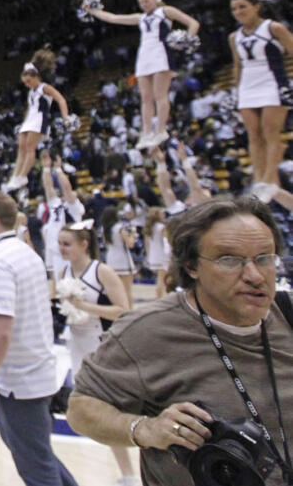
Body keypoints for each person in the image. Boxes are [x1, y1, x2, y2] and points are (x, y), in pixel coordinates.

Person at [67, 196, 293, 486]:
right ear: (191, 266)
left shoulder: (287, 315)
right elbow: (81, 408)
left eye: (264, 258)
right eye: (229, 260)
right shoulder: (145, 332)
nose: (254, 275)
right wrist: (143, 428)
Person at [0, 188, 79, 486]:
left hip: (21, 381)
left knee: (37, 469)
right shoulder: (25, 253)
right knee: (38, 454)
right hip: (38, 371)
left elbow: (0, 330)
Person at [54, 220, 136, 486]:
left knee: (115, 409)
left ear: (84, 244)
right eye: (59, 243)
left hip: (104, 346)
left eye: (67, 244)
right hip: (77, 345)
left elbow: (123, 309)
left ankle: (134, 474)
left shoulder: (102, 271)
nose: (61, 248)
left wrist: (84, 307)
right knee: (97, 411)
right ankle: (128, 474)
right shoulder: (64, 271)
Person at [81, 0, 200, 149]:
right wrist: (92, 10)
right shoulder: (141, 17)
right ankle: (146, 133)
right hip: (144, 55)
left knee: (160, 95)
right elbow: (113, 18)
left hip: (161, 53)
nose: (144, 4)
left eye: (147, 0)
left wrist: (186, 40)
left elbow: (193, 23)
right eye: (141, 2)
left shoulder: (165, 11)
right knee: (145, 98)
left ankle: (160, 130)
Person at [228, 0, 293, 206]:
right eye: (235, 9)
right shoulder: (233, 37)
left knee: (270, 132)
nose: (238, 12)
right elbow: (237, 65)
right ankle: (259, 181)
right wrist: (236, 91)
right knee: (253, 135)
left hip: (273, 82)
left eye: (243, 7)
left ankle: (268, 180)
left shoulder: (274, 28)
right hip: (248, 86)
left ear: (257, 7)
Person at [4, 50, 74, 194]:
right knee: (21, 148)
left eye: (29, 81)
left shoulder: (45, 88)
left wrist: (65, 117)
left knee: (30, 148)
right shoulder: (31, 92)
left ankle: (23, 176)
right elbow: (30, 109)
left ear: (36, 77)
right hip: (30, 120)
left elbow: (61, 99)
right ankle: (16, 176)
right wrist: (24, 123)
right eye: (25, 83)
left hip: (40, 119)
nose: (27, 85)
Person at [39, 152, 83, 280]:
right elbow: (48, 187)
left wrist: (58, 169)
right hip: (54, 248)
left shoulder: (75, 207)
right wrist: (46, 168)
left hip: (67, 250)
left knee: (67, 285)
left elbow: (67, 189)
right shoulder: (57, 203)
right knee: (56, 283)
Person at [100, 206, 136, 308]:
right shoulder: (119, 228)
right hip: (123, 258)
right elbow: (130, 244)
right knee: (127, 289)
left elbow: (106, 243)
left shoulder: (104, 228)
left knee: (114, 289)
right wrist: (132, 234)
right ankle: (129, 312)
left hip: (111, 257)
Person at [142, 207, 170, 297]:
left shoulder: (149, 228)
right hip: (162, 255)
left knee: (161, 279)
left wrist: (148, 255)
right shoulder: (161, 227)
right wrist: (168, 254)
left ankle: (160, 298)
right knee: (162, 280)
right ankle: (159, 299)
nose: (163, 215)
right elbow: (166, 242)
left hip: (153, 256)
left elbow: (147, 244)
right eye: (161, 213)